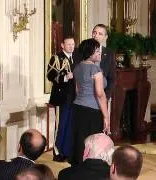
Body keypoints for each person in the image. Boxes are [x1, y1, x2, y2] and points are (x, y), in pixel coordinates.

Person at [69, 38, 109, 166]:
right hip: (92, 110)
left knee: (79, 138)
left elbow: (77, 89)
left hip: (78, 107)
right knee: (93, 141)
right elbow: (100, 94)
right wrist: (106, 115)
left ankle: (78, 168)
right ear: (90, 53)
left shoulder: (78, 67)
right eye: (96, 51)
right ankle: (91, 169)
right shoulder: (95, 70)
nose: (99, 53)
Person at [47, 36, 78, 162]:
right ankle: (57, 152)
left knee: (70, 124)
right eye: (68, 44)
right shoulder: (56, 58)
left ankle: (67, 151)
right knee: (61, 125)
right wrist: (65, 77)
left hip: (74, 97)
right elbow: (50, 75)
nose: (71, 46)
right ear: (62, 45)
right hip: (61, 98)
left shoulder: (75, 58)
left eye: (73, 44)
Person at [91, 24, 116, 100]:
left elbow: (111, 78)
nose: (96, 36)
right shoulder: (82, 51)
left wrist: (106, 96)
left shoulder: (109, 54)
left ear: (105, 37)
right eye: (94, 32)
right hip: (84, 97)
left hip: (101, 96)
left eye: (100, 34)